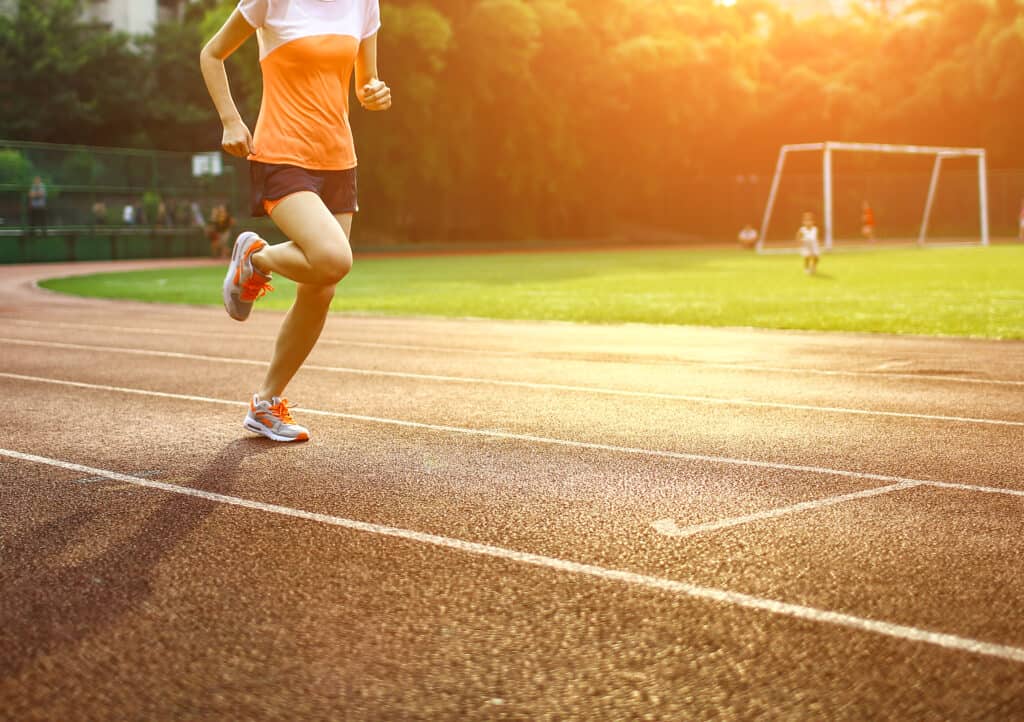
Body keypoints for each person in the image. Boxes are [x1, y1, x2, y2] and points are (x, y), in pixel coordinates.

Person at [200, 0, 390, 443]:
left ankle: (265, 405)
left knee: (321, 288)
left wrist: (373, 93)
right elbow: (212, 54)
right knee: (332, 259)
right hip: (282, 155)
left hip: (339, 161)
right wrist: (230, 119)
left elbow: (366, 83)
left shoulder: (364, 3)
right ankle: (257, 258)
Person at [797, 211, 820, 275]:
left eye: (810, 221)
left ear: (813, 222)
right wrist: (800, 242)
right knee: (807, 257)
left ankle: (814, 267)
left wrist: (817, 244)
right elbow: (798, 236)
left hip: (813, 245)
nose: (808, 222)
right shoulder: (802, 229)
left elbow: (816, 237)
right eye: (806, 221)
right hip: (806, 245)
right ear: (804, 222)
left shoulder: (815, 229)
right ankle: (806, 268)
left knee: (816, 257)